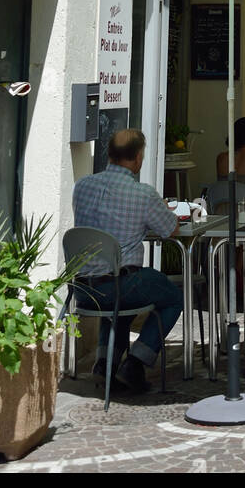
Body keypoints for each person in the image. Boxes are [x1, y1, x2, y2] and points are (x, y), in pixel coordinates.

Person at [71, 128, 183, 392]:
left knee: (120, 290)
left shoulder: (82, 186)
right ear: (138, 158)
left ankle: (104, 362)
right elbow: (171, 229)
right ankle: (135, 362)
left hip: (82, 288)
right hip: (117, 286)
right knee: (172, 296)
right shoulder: (142, 194)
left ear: (109, 154)